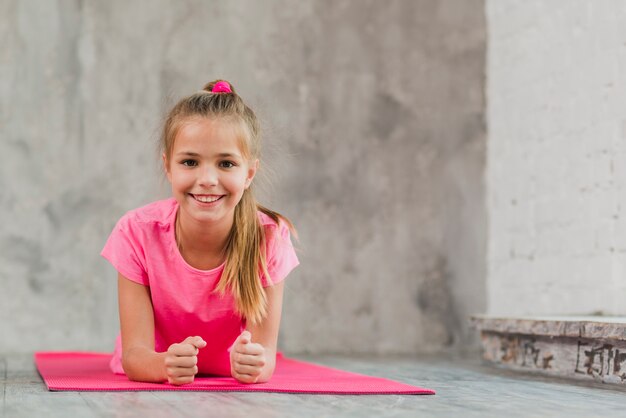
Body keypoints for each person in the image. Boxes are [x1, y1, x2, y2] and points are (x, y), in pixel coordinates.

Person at [101, 80, 299, 386]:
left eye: (226, 163)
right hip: (160, 369)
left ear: (249, 173)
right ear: (168, 166)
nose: (207, 179)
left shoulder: (270, 239)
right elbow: (135, 356)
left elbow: (265, 356)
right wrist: (163, 364)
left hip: (227, 380)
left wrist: (254, 365)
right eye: (190, 162)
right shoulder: (137, 233)